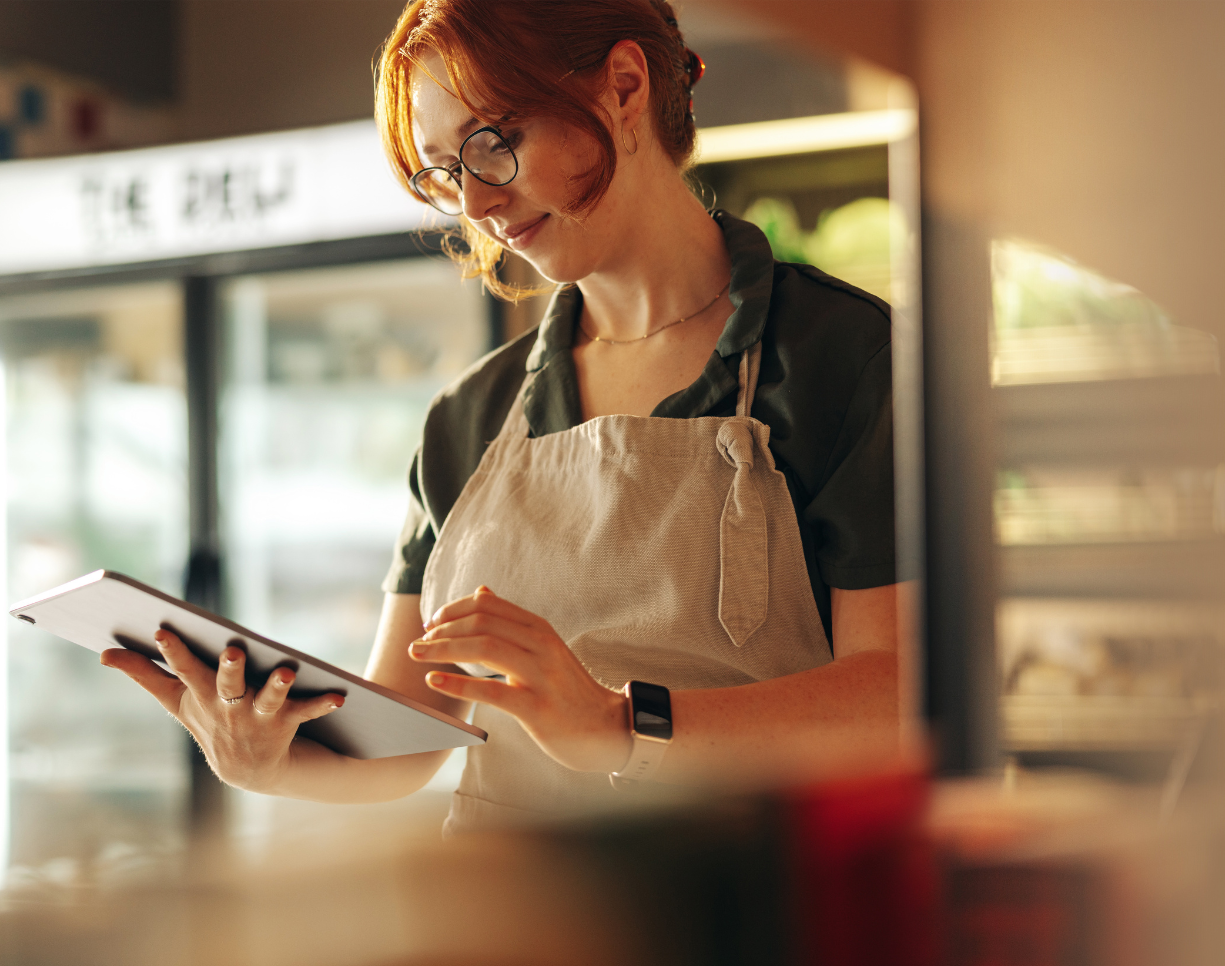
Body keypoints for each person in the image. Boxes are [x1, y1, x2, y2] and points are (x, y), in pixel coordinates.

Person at [102, 0, 900, 827]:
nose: (477, 206)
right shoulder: (468, 417)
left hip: (744, 929)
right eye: (445, 172)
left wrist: (622, 727)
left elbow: (899, 693)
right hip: (503, 934)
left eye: (494, 144)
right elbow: (415, 735)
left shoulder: (842, 357)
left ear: (625, 87)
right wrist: (271, 758)